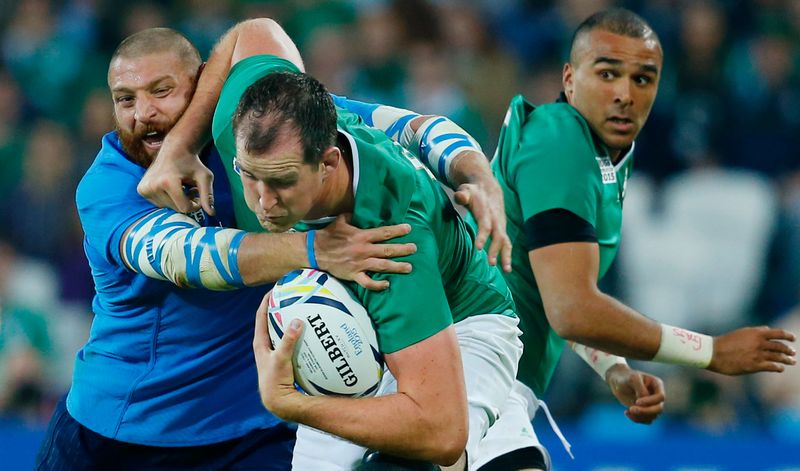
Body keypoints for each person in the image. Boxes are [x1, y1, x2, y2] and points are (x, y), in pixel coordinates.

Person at [137, 18, 667, 471]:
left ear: (329, 163)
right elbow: (255, 33)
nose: (261, 200)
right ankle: (506, 442)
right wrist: (179, 146)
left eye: (279, 182)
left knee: (413, 461)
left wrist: (289, 403)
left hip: (461, 327)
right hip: (350, 321)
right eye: (247, 177)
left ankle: (500, 431)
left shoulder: (390, 237)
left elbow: (439, 430)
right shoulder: (258, 119)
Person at [34, 27, 452, 471]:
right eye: (126, 99)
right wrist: (315, 249)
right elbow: (187, 258)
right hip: (122, 429)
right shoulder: (107, 187)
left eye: (162, 91)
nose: (143, 112)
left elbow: (397, 125)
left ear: (202, 88)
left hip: (252, 433)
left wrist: (467, 167)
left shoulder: (257, 138)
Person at [482, 8, 797, 469]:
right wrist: (711, 353)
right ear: (570, 79)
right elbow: (571, 308)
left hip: (490, 380)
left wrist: (612, 367)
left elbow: (546, 285)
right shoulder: (560, 141)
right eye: (608, 74)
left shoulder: (598, 158)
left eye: (644, 79)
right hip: (470, 373)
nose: (625, 95)